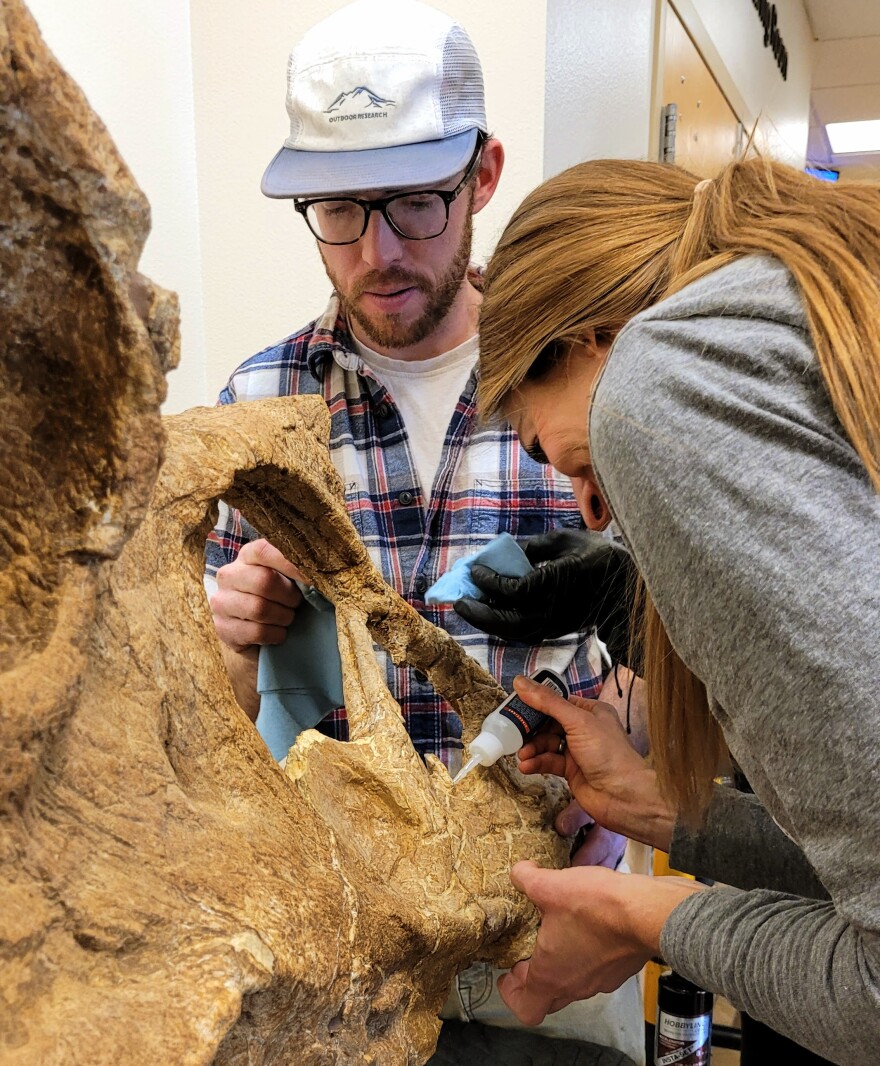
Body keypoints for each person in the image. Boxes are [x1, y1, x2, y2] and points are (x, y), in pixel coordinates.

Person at [204, 3, 646, 1061]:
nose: (379, 251)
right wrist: (227, 637)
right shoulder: (257, 403)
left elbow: (672, 669)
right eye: (339, 214)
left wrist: (626, 714)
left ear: (481, 177)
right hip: (341, 934)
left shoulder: (594, 385)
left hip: (551, 919)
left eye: (413, 203)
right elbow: (205, 737)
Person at [471, 156, 880, 1065]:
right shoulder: (794, 307)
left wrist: (641, 916)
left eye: (566, 461)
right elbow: (865, 877)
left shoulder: (656, 387)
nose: (591, 512)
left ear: (593, 335)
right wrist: (663, 813)